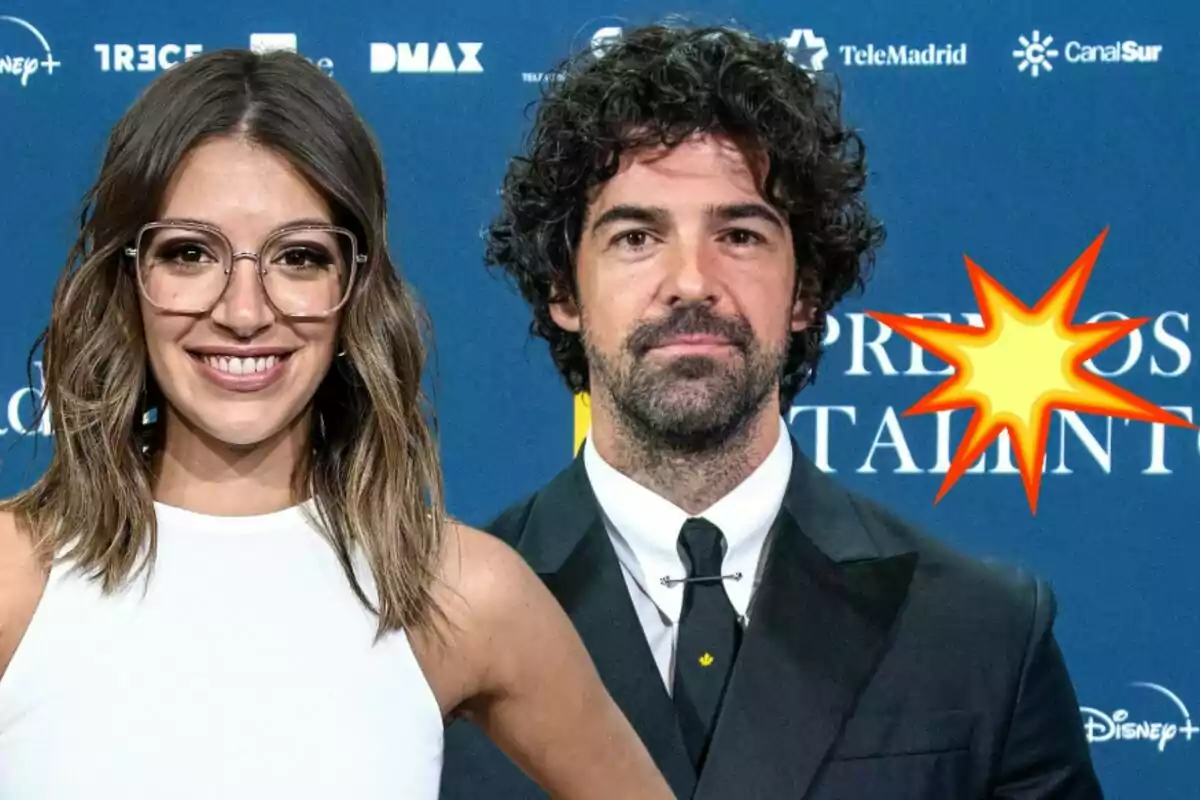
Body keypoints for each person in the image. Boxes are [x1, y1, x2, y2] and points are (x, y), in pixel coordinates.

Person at [440, 23, 1104, 800]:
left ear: (807, 290)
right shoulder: (429, 629)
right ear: (563, 291)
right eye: (635, 236)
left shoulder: (982, 633)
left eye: (741, 234)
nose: (691, 280)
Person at [0, 49, 675, 800]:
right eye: (190, 253)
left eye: (298, 258)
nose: (245, 312)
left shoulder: (453, 590)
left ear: (355, 288)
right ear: (128, 278)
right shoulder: (13, 577)